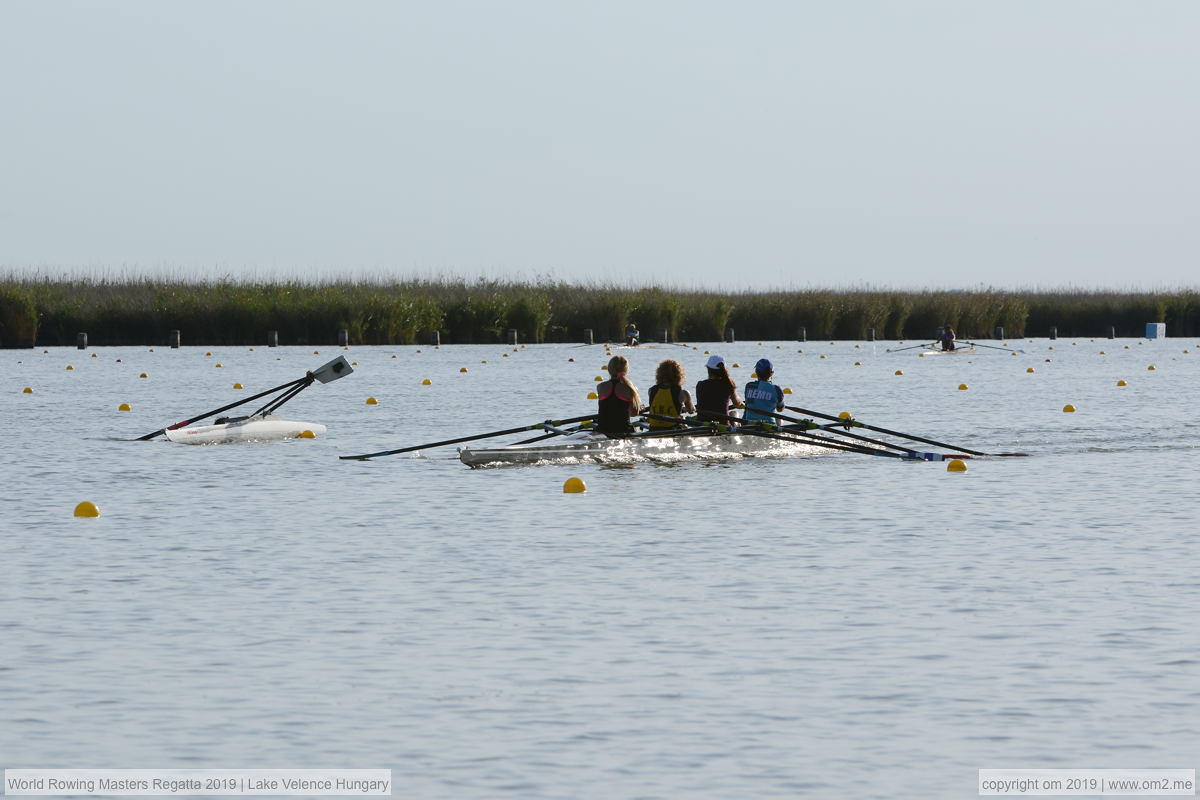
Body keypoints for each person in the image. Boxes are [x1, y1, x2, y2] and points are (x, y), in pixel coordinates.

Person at [595, 354, 642, 436]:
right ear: (626, 370)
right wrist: (640, 408)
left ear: (609, 369)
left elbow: (611, 406)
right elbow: (634, 413)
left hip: (602, 431)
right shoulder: (630, 388)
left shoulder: (600, 386)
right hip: (623, 431)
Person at [647, 359, 696, 428]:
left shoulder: (651, 390)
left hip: (653, 428)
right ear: (679, 376)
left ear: (659, 375)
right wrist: (691, 408)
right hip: (672, 428)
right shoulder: (683, 393)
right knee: (684, 423)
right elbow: (691, 411)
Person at [694, 354, 743, 423]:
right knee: (734, 413)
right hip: (723, 424)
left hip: (702, 424)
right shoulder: (728, 384)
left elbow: (704, 403)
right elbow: (737, 404)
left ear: (708, 369)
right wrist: (741, 402)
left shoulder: (700, 385)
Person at [743, 358, 785, 425]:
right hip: (769, 425)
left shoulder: (749, 386)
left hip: (749, 424)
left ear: (756, 372)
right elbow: (780, 409)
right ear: (772, 373)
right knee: (779, 419)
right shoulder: (776, 389)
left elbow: (747, 404)